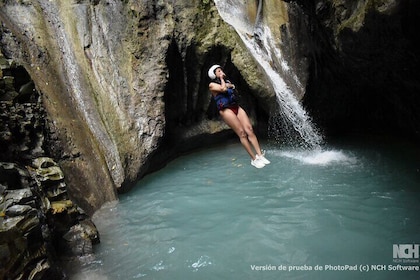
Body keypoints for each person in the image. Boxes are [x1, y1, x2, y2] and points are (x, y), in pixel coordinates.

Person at [208, 64, 270, 168]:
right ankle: (253, 159)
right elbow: (223, 89)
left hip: (236, 107)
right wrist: (223, 80)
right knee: (242, 133)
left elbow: (232, 87)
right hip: (226, 110)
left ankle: (260, 155)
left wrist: (228, 84)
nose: (221, 72)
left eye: (221, 70)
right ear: (214, 75)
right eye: (218, 71)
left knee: (249, 129)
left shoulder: (227, 82)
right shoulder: (211, 85)